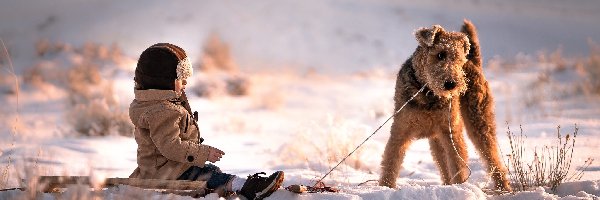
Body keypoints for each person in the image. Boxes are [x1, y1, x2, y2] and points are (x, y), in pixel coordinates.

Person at [128, 43, 284, 199]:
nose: (185, 83)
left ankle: (216, 190)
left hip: (166, 167)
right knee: (209, 174)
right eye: (180, 78)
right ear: (163, 81)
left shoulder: (158, 104)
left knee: (211, 170)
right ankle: (248, 187)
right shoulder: (161, 111)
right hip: (168, 173)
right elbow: (170, 146)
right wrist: (203, 153)